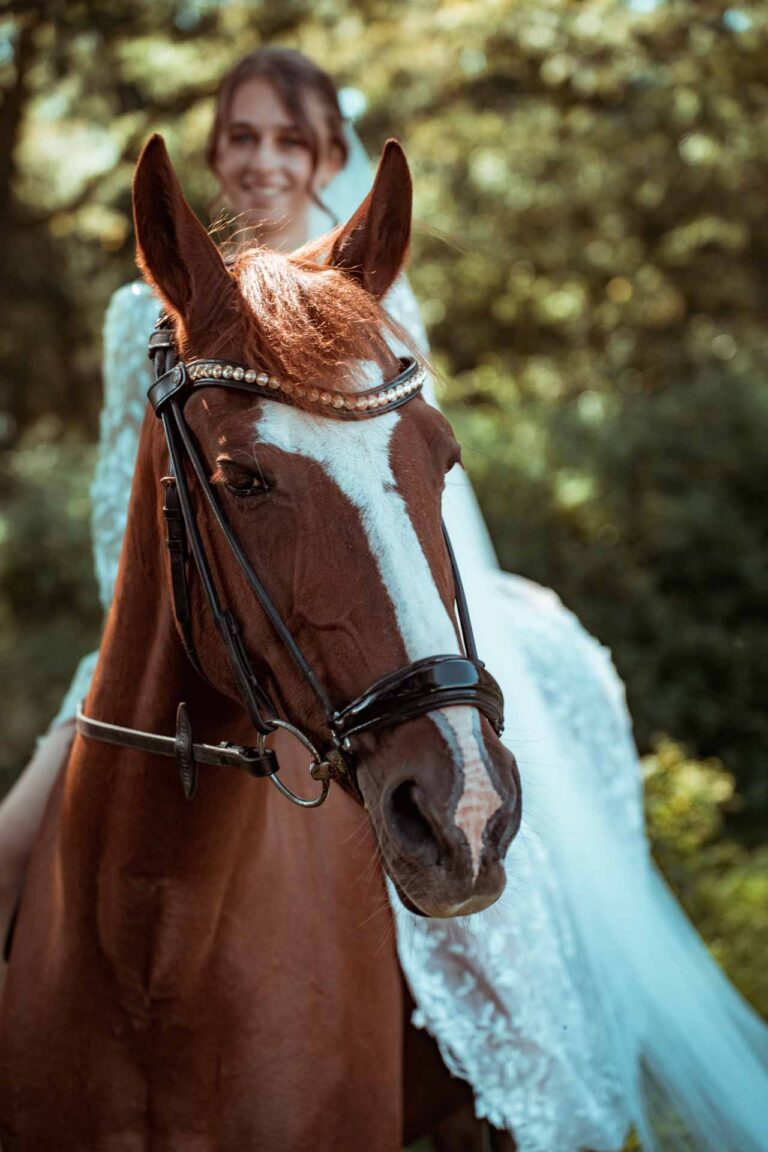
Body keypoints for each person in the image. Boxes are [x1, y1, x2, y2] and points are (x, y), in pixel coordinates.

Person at [2, 46, 767, 1152]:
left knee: (491, 932)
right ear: (217, 153)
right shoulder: (147, 314)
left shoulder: (358, 299)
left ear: (322, 157)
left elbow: (397, 501)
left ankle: (499, 1098)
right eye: (244, 138)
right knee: (12, 846)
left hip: (336, 627)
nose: (264, 160)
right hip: (174, 617)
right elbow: (118, 512)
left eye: (290, 140)